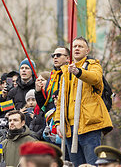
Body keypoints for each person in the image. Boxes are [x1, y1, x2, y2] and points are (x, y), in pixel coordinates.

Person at [55, 37, 113, 166]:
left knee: (92, 164)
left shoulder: (94, 65)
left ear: (87, 51)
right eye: (74, 46)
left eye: (80, 46)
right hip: (69, 129)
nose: (76, 48)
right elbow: (60, 102)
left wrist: (78, 72)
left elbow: (96, 79)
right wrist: (58, 122)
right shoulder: (65, 72)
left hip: (89, 126)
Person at [36, 47, 70, 114]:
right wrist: (38, 92)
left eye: (58, 55)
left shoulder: (71, 74)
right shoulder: (51, 77)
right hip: (50, 116)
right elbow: (44, 104)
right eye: (53, 55)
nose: (55, 57)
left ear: (68, 58)